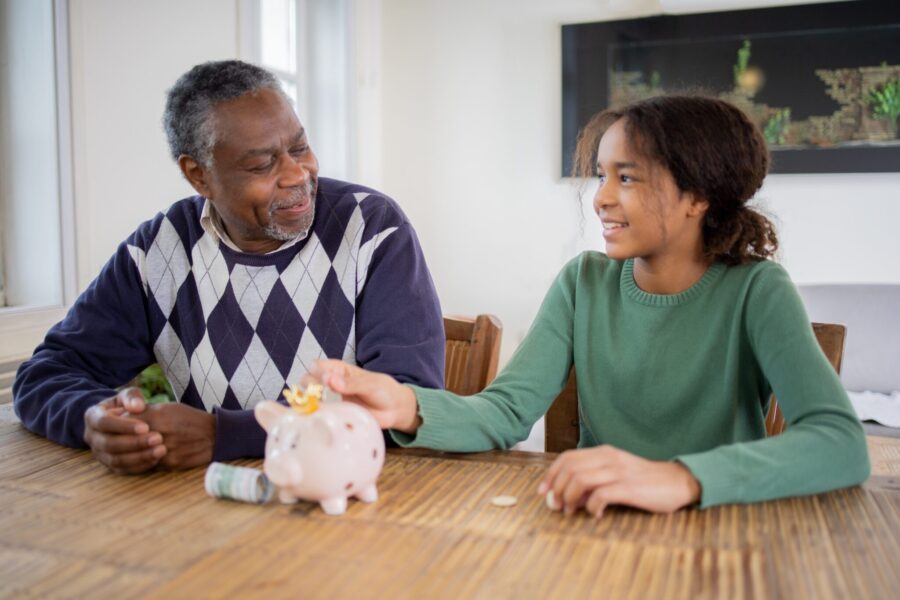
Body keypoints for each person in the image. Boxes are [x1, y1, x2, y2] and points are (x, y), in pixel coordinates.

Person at [304, 95, 870, 516]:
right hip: (595, 520)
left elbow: (840, 443)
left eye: (627, 178)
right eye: (602, 176)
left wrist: (679, 479)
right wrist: (404, 405)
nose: (600, 197)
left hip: (717, 526)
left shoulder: (757, 291)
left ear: (699, 194)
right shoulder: (583, 282)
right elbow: (504, 412)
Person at [13, 60, 445, 474]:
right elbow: (46, 374)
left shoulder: (372, 228)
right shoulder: (159, 249)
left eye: (300, 147)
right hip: (207, 506)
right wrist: (93, 420)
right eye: (261, 164)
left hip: (351, 499)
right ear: (199, 176)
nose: (298, 174)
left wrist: (223, 435)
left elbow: (406, 404)